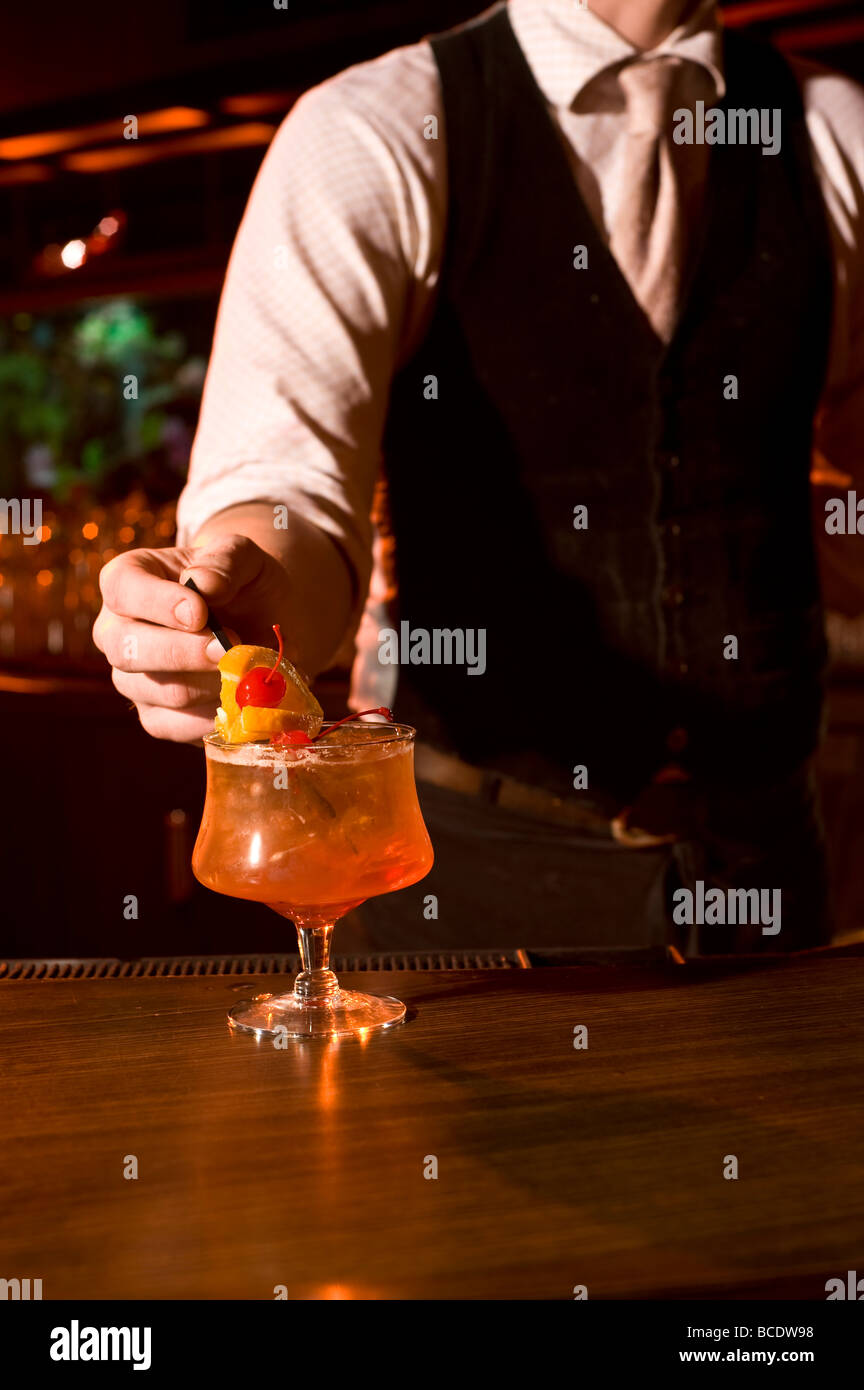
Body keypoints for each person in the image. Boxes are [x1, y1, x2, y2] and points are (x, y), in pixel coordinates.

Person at [94, 0, 864, 956]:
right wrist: (244, 602)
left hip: (773, 872)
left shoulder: (837, 129)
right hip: (471, 885)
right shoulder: (373, 131)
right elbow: (288, 488)